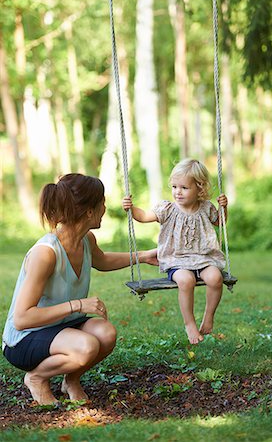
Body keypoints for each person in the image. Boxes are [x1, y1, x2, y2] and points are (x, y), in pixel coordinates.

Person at [2, 173, 157, 405]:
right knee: (87, 346)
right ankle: (36, 378)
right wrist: (78, 305)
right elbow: (22, 319)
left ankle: (71, 380)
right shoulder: (45, 253)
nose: (105, 207)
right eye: (102, 202)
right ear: (89, 212)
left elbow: (102, 261)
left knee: (106, 334)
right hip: (25, 338)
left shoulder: (86, 239)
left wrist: (143, 256)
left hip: (61, 326)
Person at [122, 159, 228, 345]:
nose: (177, 192)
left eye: (184, 188)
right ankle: (189, 323)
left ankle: (209, 316)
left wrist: (223, 208)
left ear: (199, 188)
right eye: (174, 186)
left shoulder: (206, 208)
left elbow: (220, 222)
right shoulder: (168, 209)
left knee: (215, 278)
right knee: (186, 281)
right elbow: (145, 217)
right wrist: (131, 209)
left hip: (204, 258)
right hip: (176, 260)